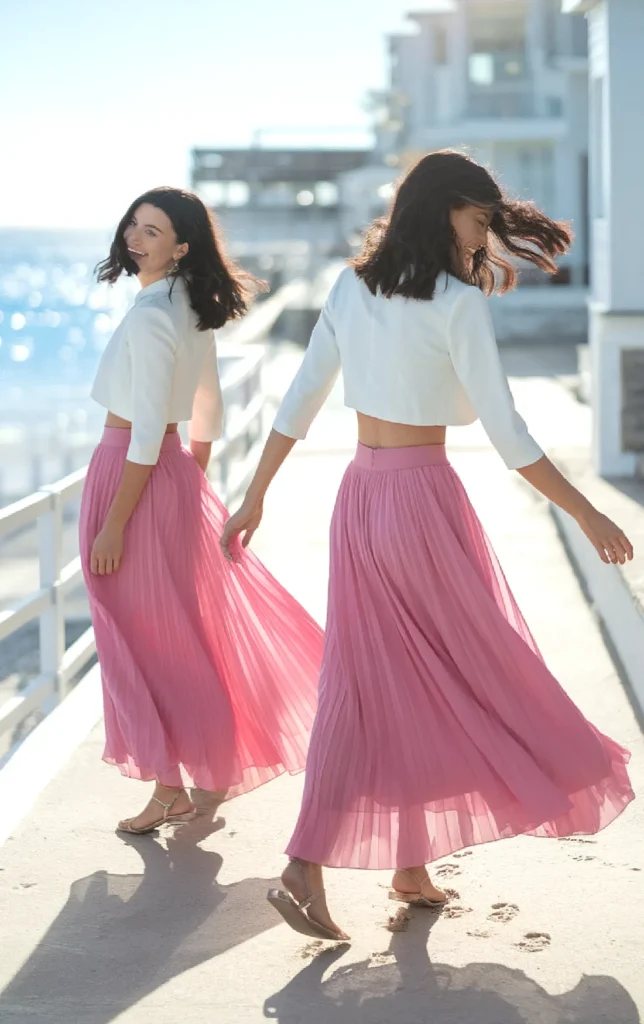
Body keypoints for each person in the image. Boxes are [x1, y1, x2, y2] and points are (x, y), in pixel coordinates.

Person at [220, 151, 635, 942]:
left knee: (378, 679)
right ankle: (305, 860)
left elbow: (302, 395)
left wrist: (256, 494)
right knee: (476, 668)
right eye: (479, 217)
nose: (484, 232)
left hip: (360, 498)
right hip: (421, 499)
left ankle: (408, 865)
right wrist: (587, 513)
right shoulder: (456, 302)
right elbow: (508, 433)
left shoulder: (351, 284)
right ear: (446, 210)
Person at [80, 187, 322, 834]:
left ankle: (168, 789)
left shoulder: (153, 314)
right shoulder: (187, 306)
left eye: (152, 231)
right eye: (133, 224)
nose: (135, 237)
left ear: (181, 247)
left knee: (138, 640)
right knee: (176, 632)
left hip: (129, 474)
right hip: (168, 476)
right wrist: (192, 475)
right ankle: (196, 770)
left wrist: (115, 522)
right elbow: (206, 406)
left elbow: (145, 426)